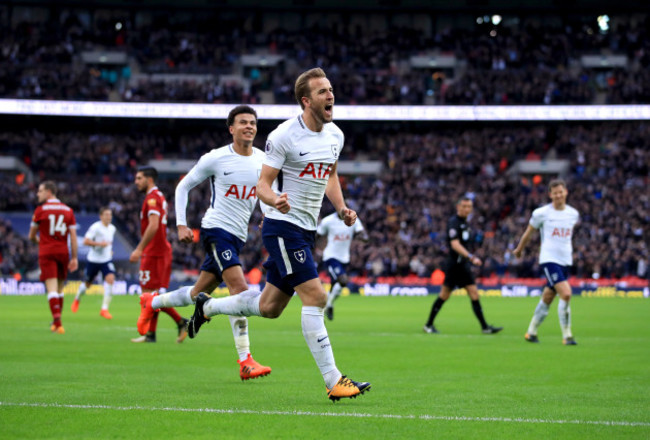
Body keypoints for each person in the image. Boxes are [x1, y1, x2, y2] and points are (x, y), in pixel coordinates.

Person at [187, 67, 371, 402]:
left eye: (330, 89)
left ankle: (207, 307)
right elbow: (262, 185)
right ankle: (333, 380)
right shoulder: (284, 135)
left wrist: (341, 208)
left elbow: (330, 175)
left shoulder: (335, 136)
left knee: (270, 307)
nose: (330, 95)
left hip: (306, 229)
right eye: (322, 92)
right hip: (283, 228)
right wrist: (274, 200)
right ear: (306, 100)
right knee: (316, 297)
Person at [136, 105, 271, 380]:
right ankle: (245, 360)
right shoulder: (216, 158)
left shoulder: (263, 160)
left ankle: (151, 301)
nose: (249, 126)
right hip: (215, 229)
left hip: (237, 236)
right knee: (240, 290)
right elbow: (183, 186)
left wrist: (268, 215)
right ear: (231, 129)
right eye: (243, 122)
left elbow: (266, 191)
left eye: (253, 123)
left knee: (196, 292)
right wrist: (182, 224)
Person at [513, 179, 579, 345]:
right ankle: (567, 336)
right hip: (549, 259)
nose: (558, 195)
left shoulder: (573, 214)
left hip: (566, 261)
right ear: (550, 195)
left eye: (560, 192)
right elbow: (529, 233)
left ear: (566, 192)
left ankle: (531, 332)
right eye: (555, 193)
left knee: (548, 297)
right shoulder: (541, 213)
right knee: (566, 293)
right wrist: (519, 249)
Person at [423, 197, 503, 335]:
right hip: (454, 265)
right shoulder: (454, 223)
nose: (467, 209)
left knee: (474, 293)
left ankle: (485, 327)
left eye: (469, 206)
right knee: (444, 295)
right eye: (464, 206)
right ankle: (428, 325)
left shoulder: (465, 223)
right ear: (458, 207)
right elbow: (455, 244)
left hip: (463, 265)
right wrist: (471, 257)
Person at [129, 166, 188, 343]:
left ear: (149, 179)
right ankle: (151, 334)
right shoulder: (158, 196)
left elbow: (153, 225)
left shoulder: (153, 198)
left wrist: (139, 249)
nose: (136, 182)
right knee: (152, 294)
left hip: (154, 252)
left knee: (149, 295)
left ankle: (180, 321)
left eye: (139, 178)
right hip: (159, 250)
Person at [28, 181, 78, 334]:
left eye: (40, 191)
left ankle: (58, 323)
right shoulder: (68, 211)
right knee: (60, 288)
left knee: (51, 289)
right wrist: (74, 257)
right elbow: (73, 238)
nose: (38, 194)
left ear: (49, 192)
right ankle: (57, 321)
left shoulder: (40, 210)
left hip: (47, 252)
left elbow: (31, 236)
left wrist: (40, 241)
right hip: (63, 252)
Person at [316, 210, 368, 320]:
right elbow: (317, 235)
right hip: (330, 257)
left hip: (345, 258)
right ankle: (326, 305)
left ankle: (328, 304)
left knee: (336, 286)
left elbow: (362, 233)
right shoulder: (328, 221)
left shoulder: (353, 219)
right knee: (343, 280)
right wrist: (313, 249)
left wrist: (363, 236)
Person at [71, 207, 117, 319]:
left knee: (111, 279)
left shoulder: (112, 228)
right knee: (87, 284)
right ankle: (77, 298)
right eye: (106, 214)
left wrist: (109, 250)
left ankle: (104, 309)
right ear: (101, 216)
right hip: (93, 260)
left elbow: (109, 243)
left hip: (106, 260)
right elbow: (85, 241)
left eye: (110, 214)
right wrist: (100, 244)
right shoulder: (95, 227)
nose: (108, 217)